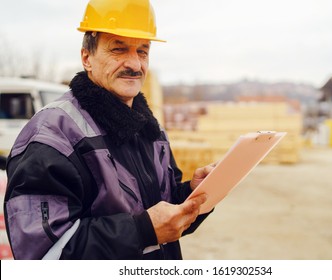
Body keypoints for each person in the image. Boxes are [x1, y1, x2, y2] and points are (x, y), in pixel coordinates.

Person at [3, 0, 214, 260]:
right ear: (87, 58)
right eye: (119, 49)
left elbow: (159, 211)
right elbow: (42, 254)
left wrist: (193, 195)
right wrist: (142, 231)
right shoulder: (52, 137)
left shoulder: (149, 129)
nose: (135, 65)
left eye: (143, 51)